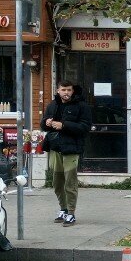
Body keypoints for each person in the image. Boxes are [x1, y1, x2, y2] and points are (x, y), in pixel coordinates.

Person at [41, 80, 92, 226]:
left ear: (72, 91)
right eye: (63, 90)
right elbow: (43, 124)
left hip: (71, 149)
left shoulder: (81, 105)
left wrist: (64, 125)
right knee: (57, 182)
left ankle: (71, 213)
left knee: (70, 182)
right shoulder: (52, 105)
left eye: (69, 90)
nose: (66, 93)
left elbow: (85, 127)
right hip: (55, 147)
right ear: (58, 90)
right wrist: (47, 123)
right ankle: (63, 209)